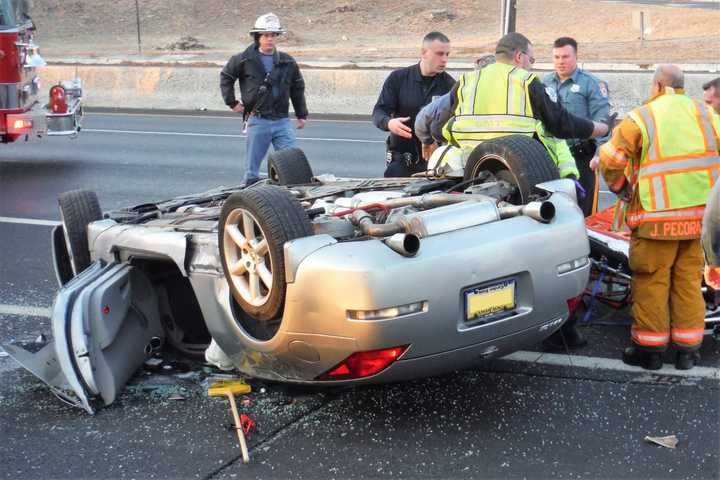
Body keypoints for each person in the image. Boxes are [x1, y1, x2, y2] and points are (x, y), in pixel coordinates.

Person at [598, 65, 720, 370]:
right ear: (681, 86)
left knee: (652, 281)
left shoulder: (642, 116)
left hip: (655, 221)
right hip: (698, 221)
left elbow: (610, 159)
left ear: (656, 86)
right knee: (689, 282)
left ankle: (649, 352)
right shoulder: (707, 115)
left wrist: (620, 188)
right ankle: (688, 351)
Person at [220, 13, 308, 185]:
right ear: (258, 37)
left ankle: (290, 194)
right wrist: (232, 102)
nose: (270, 39)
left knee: (291, 162)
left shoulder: (287, 61)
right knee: (252, 170)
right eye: (266, 35)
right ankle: (250, 196)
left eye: (273, 35)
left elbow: (297, 87)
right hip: (258, 119)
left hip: (282, 120)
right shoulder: (243, 59)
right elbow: (226, 77)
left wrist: (301, 114)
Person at [544, 37, 611, 217]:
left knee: (584, 212)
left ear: (575, 56)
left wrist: (599, 155)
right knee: (555, 211)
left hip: (582, 159)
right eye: (556, 57)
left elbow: (604, 123)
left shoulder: (592, 84)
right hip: (553, 159)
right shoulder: (544, 83)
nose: (560, 62)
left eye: (565, 57)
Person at [372, 32, 455, 177]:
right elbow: (379, 111)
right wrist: (389, 123)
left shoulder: (450, 85)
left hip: (435, 164)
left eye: (447, 54)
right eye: (439, 54)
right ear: (424, 53)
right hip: (401, 163)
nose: (444, 59)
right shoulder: (398, 78)